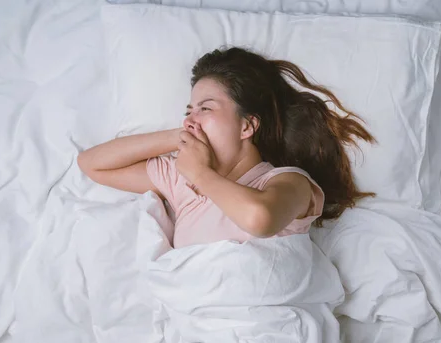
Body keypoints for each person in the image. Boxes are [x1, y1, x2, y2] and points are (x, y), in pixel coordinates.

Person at [77, 47, 375, 248]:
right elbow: (92, 164)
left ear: (247, 126)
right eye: (188, 109)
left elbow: (260, 220)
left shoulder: (288, 182)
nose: (190, 119)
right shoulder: (180, 180)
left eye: (205, 108)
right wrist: (175, 138)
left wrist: (201, 174)